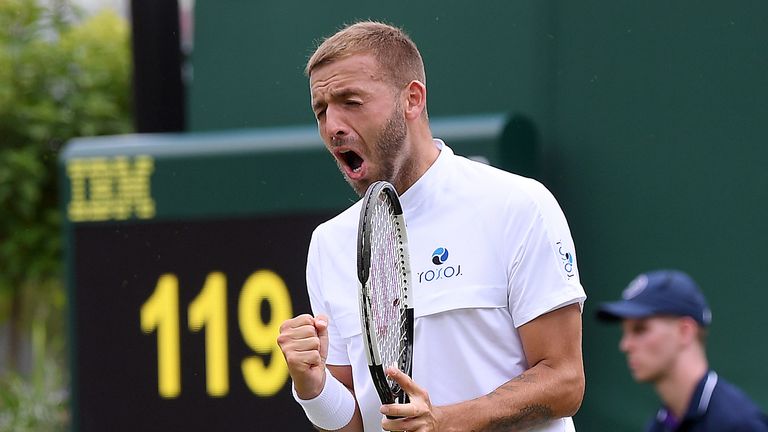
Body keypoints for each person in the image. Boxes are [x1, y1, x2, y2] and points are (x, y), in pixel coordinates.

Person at [277, 20, 586, 432]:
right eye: (321, 110)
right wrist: (312, 386)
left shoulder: (516, 204)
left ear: (413, 99)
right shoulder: (329, 243)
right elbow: (352, 422)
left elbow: (565, 380)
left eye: (351, 102)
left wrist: (447, 421)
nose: (332, 126)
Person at [596, 269, 768, 432]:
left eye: (640, 329)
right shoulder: (660, 424)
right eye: (624, 332)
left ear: (685, 331)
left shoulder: (739, 424)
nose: (625, 345)